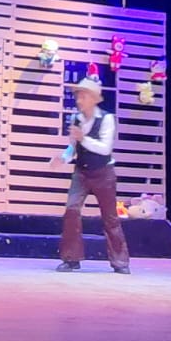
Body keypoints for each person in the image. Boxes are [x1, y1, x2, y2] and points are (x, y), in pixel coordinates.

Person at [49, 78, 131, 274]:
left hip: (103, 173)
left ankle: (120, 262)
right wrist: (63, 157)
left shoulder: (107, 119)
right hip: (82, 173)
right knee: (71, 210)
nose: (79, 100)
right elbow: (73, 147)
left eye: (83, 96)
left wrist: (83, 138)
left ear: (94, 99)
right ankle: (71, 259)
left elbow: (105, 149)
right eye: (78, 96)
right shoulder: (76, 119)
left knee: (110, 218)